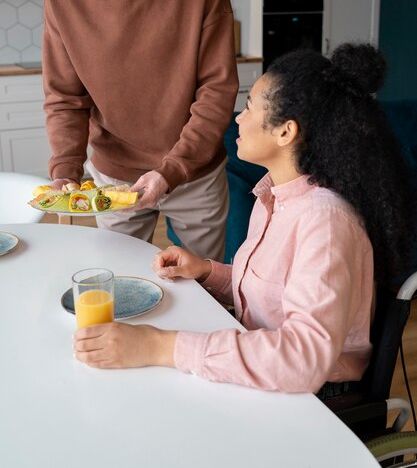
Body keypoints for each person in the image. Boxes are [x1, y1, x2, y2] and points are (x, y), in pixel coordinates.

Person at [73, 43, 413, 393]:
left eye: (250, 107)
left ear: (286, 132)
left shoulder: (325, 223)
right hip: (263, 363)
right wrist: (208, 271)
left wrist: (159, 346)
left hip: (315, 398)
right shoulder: (273, 196)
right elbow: (277, 292)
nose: (238, 118)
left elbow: (302, 362)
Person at [42, 0, 238, 261]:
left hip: (194, 175)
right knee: (121, 282)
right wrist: (66, 169)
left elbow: (217, 89)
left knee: (206, 292)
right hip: (113, 177)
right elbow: (65, 98)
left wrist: (172, 171)